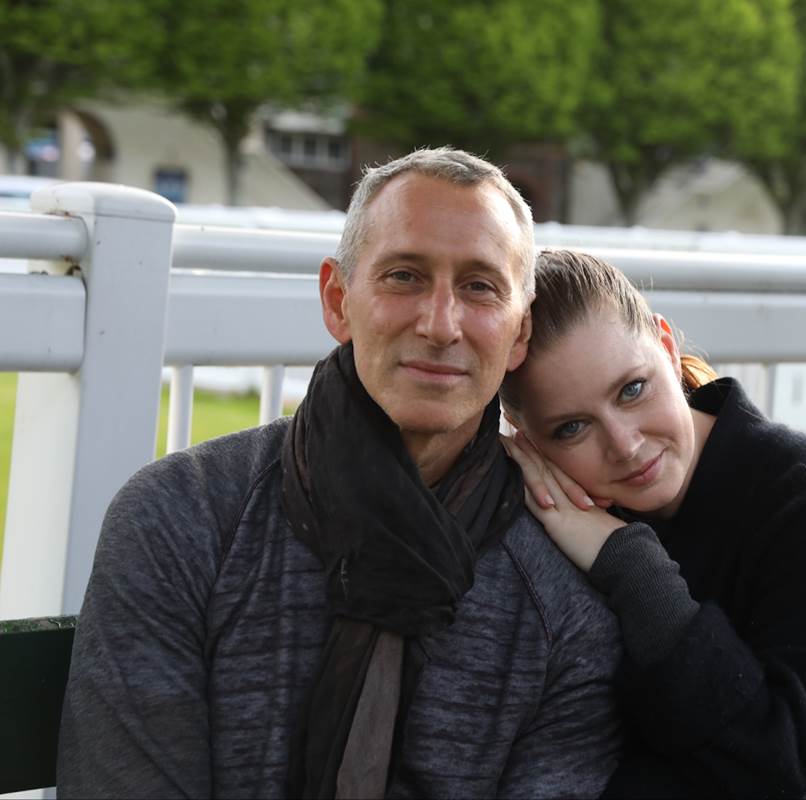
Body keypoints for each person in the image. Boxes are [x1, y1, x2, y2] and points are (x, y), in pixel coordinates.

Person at [57, 151, 623, 799]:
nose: (440, 324)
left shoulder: (565, 600)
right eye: (404, 276)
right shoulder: (180, 521)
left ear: (519, 334)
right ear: (337, 300)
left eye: (480, 287)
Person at [498, 249, 806, 798]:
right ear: (527, 438)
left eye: (632, 389)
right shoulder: (549, 523)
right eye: (572, 428)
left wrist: (633, 569)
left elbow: (781, 770)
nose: (626, 444)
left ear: (665, 345)